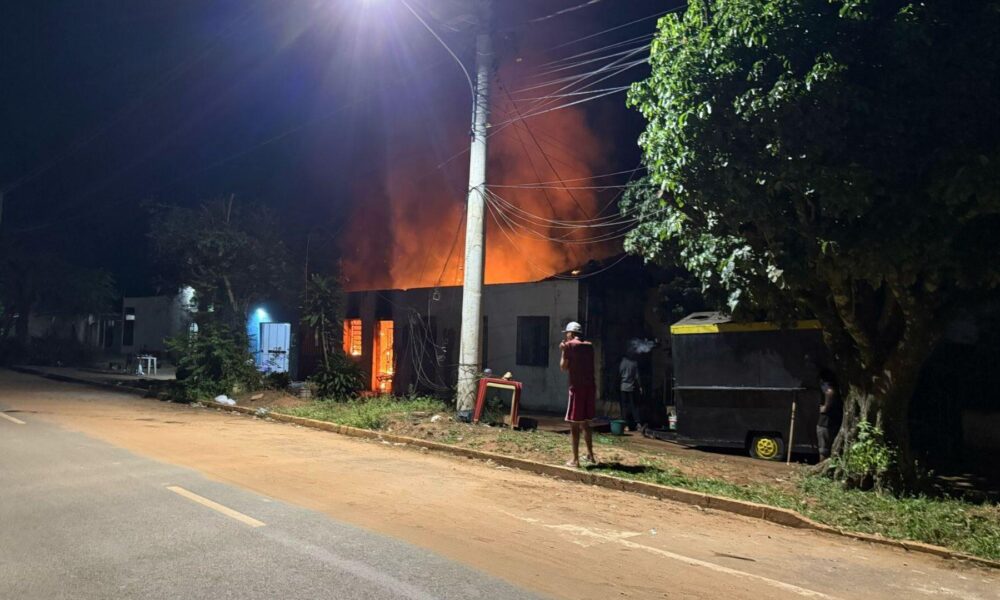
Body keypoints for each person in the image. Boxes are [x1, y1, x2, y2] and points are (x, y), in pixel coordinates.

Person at [559, 321, 597, 467]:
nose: (566, 336)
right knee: (586, 423)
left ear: (571, 333)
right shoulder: (589, 346)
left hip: (576, 388)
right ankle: (591, 455)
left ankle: (575, 460)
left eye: (567, 333)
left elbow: (563, 367)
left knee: (574, 424)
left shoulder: (569, 346)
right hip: (590, 387)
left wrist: (563, 350)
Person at [817, 374, 841, 461]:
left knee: (824, 450)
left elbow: (829, 392)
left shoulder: (829, 390)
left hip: (826, 423)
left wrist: (825, 407)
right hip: (831, 422)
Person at [618, 353, 644, 432]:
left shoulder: (622, 362)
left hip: (623, 387)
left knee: (624, 407)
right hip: (632, 388)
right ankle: (638, 424)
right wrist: (640, 386)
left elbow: (619, 374)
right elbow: (637, 376)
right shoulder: (634, 363)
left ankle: (626, 425)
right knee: (634, 406)